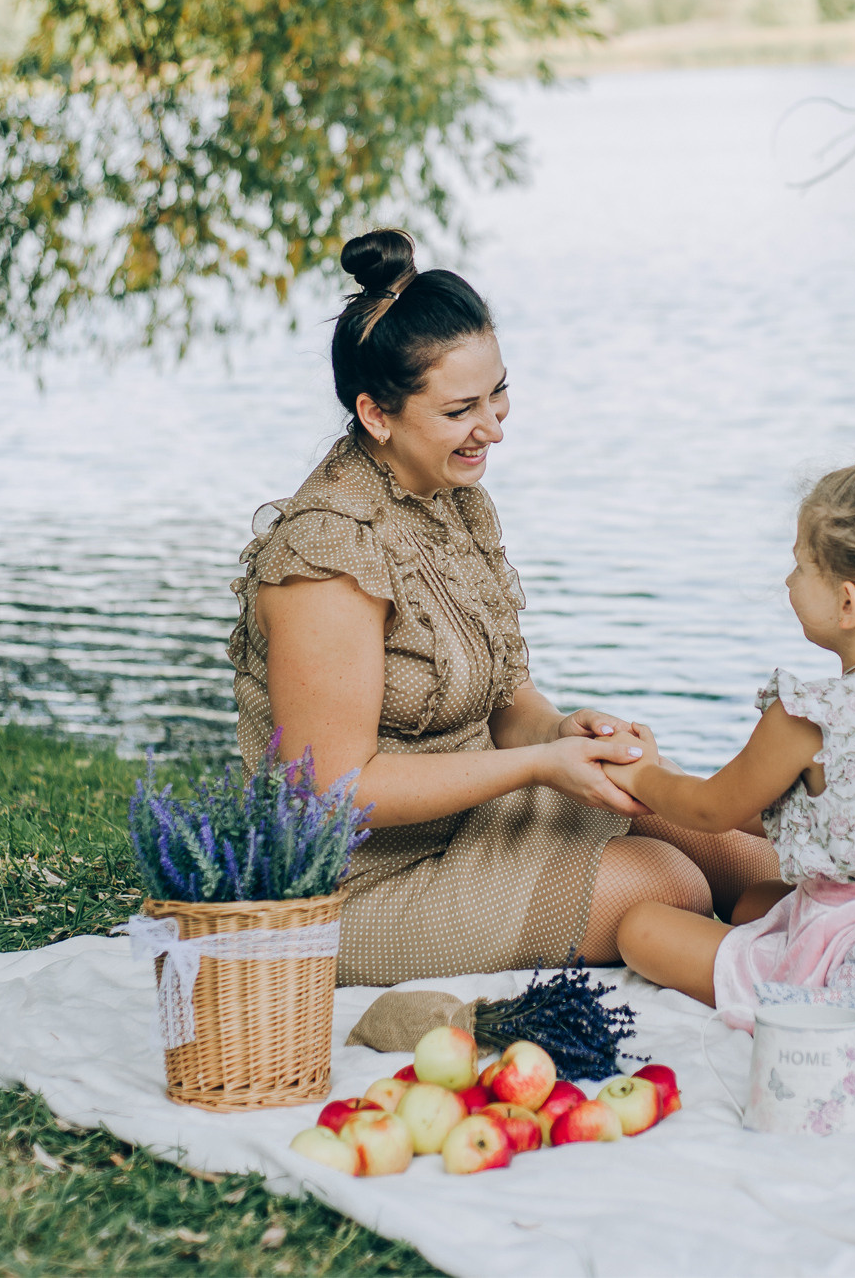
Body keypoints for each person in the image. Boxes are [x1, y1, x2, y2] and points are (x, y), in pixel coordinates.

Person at [229, 228, 780, 987]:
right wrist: (540, 766)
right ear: (377, 413)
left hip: (474, 821)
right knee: (669, 882)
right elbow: (333, 792)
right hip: (358, 884)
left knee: (746, 854)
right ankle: (789, 991)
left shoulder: (452, 501)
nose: (492, 425)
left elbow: (503, 701)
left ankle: (836, 982)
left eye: (498, 392)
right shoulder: (327, 557)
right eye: (461, 409)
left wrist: (562, 731)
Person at [611, 450, 855, 1009]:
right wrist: (673, 777)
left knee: (641, 928)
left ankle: (803, 992)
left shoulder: (809, 717)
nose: (789, 579)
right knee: (755, 901)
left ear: (846, 602)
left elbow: (710, 813)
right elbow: (845, 816)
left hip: (850, 959)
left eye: (800, 565)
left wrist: (643, 774)